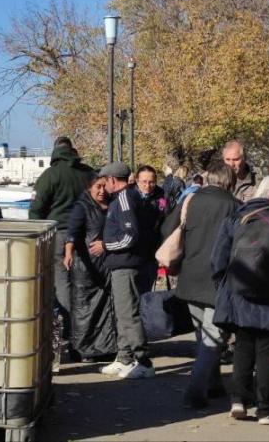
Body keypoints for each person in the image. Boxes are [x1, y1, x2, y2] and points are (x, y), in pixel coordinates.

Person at [211, 176, 269, 426]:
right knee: (268, 353)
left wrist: (226, 286)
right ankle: (265, 409)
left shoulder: (236, 219)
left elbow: (218, 260)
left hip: (240, 294)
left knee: (242, 347)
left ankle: (238, 400)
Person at [161, 160, 239, 409]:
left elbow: (166, 228)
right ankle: (195, 391)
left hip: (190, 276)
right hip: (218, 278)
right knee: (213, 338)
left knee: (204, 336)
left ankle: (214, 384)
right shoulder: (234, 206)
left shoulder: (190, 200)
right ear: (229, 181)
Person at [29, 136, 94, 351]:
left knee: (63, 283)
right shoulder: (87, 173)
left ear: (55, 151)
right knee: (85, 282)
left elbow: (36, 209)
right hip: (87, 234)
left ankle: (69, 330)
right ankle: (88, 328)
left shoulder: (49, 176)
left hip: (59, 234)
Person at [99, 161, 155, 379]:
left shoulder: (124, 199)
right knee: (122, 314)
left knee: (128, 314)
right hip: (123, 263)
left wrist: (107, 245)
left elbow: (130, 235)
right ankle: (124, 357)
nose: (104, 187)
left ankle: (143, 361)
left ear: (113, 180)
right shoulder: (126, 198)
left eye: (105, 182)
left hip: (125, 263)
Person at [63, 174, 117, 362]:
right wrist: (69, 253)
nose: (102, 191)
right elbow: (72, 233)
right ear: (89, 188)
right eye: (98, 187)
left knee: (106, 310)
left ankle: (105, 348)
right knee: (84, 310)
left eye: (104, 186)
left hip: (105, 265)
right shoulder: (82, 207)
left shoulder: (112, 204)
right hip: (86, 269)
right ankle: (83, 349)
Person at [134, 165, 166, 293]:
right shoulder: (130, 196)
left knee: (147, 288)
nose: (148, 186)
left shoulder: (162, 196)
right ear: (137, 181)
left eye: (151, 182)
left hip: (152, 248)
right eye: (144, 182)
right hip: (133, 250)